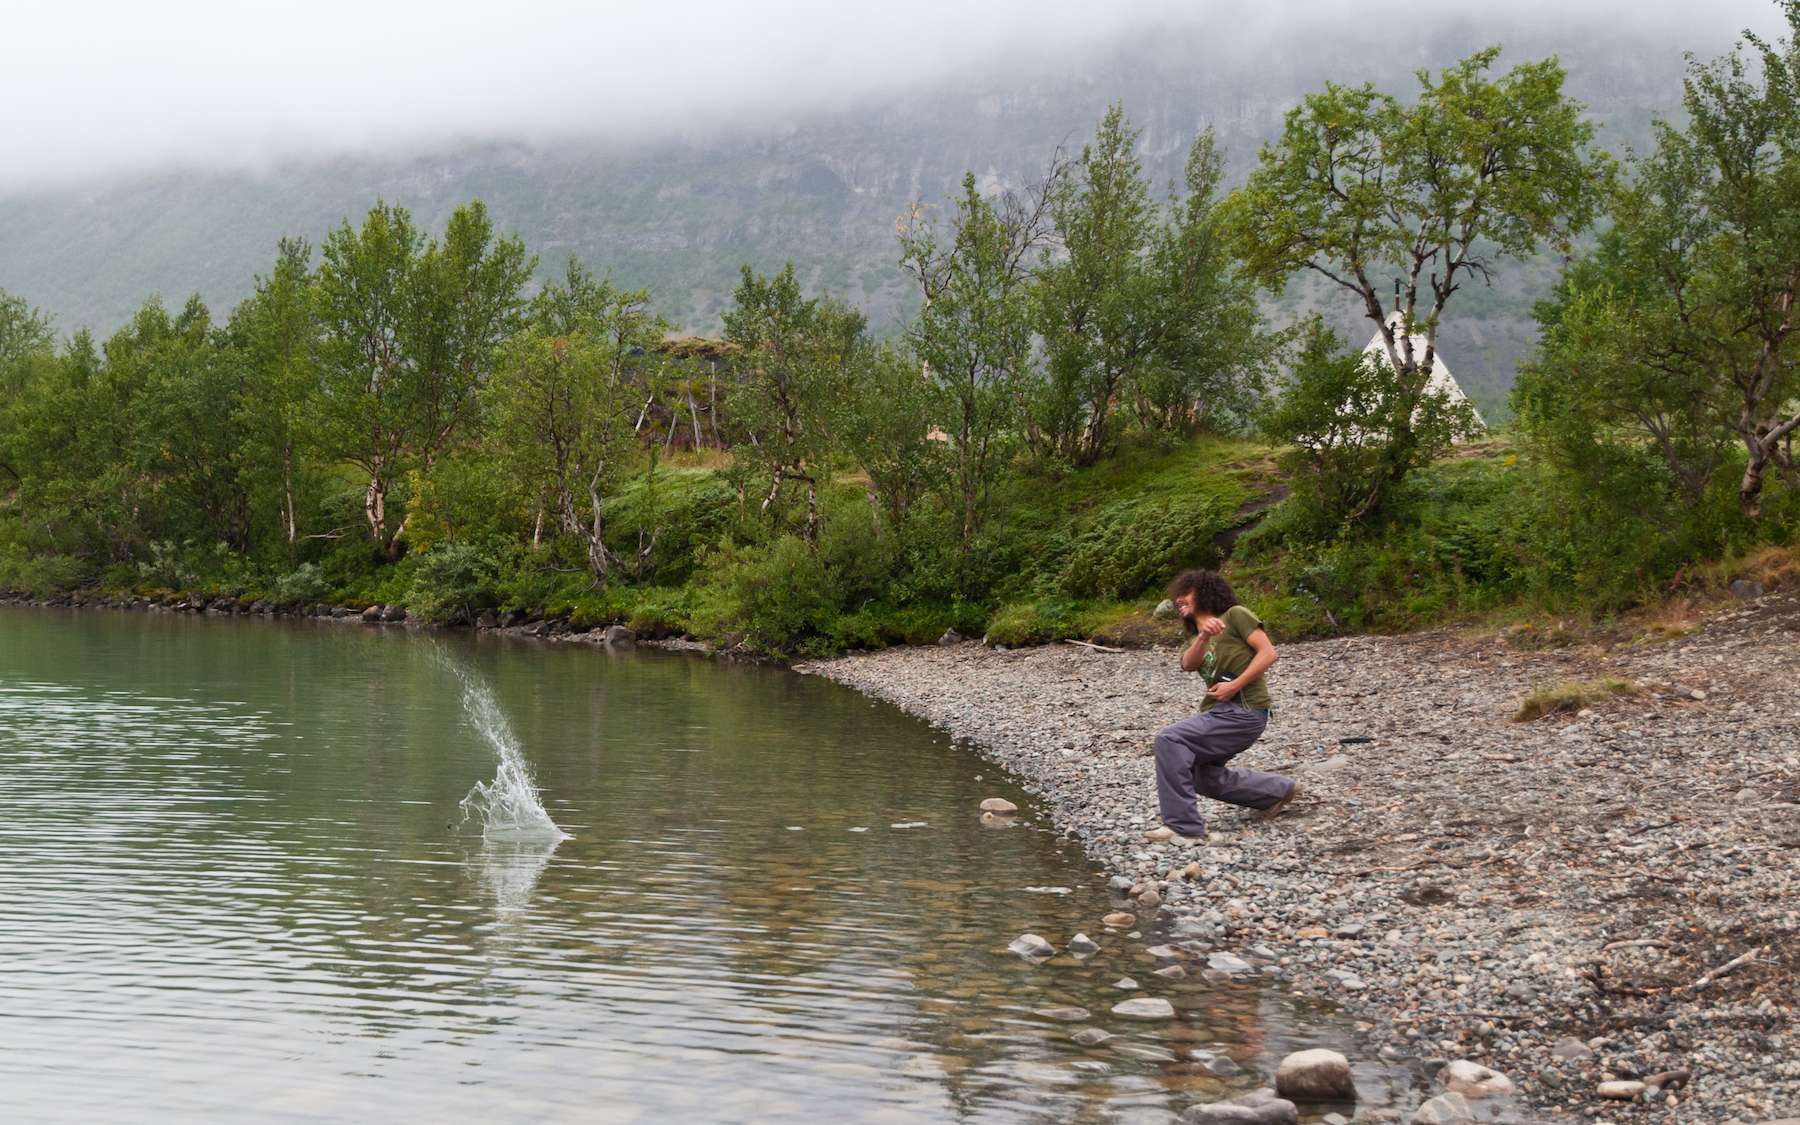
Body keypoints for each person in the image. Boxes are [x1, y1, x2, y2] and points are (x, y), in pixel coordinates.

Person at [1145, 569, 1298, 844]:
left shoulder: (1236, 615)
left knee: (1169, 739)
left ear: (1204, 591)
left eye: (1186, 593)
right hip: (1218, 712)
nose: (1179, 599)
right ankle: (1278, 791)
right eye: (1176, 596)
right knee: (1201, 776)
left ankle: (1184, 827)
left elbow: (1268, 653)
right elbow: (1188, 665)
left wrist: (1235, 684)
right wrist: (1203, 636)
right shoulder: (1196, 639)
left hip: (1245, 710)